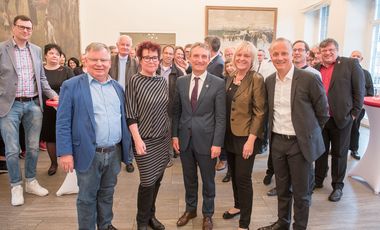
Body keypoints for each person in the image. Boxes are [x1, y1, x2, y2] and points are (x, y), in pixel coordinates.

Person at [56, 42, 132, 230]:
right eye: (94, 59)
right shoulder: (71, 86)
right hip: (87, 152)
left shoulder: (117, 88)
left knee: (107, 193)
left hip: (113, 152)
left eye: (104, 60)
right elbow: (63, 121)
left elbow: (122, 120)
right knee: (87, 197)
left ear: (109, 62)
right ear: (85, 61)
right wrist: (65, 153)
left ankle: (105, 225)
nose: (99, 64)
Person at [257, 38, 329, 230]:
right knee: (282, 189)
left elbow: (323, 113)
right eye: (275, 54)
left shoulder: (309, 79)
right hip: (278, 142)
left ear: (292, 54)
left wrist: (308, 135)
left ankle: (299, 226)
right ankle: (283, 223)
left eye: (284, 53)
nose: (280, 57)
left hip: (300, 144)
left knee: (301, 192)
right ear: (270, 56)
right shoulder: (270, 81)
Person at [0, 15, 59, 206]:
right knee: (12, 149)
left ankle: (31, 181)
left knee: (33, 147)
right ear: (13, 28)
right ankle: (16, 185)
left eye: (29, 28)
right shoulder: (2, 49)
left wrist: (53, 96)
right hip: (10, 105)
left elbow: (41, 78)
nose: (26, 31)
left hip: (34, 104)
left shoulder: (35, 50)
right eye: (22, 27)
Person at [172, 42, 226, 230]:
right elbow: (176, 111)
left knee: (208, 180)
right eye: (196, 56)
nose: (200, 60)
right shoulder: (181, 81)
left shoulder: (218, 83)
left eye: (204, 56)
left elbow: (220, 117)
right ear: (190, 58)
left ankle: (208, 214)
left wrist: (217, 143)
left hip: (208, 141)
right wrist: (174, 136)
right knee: (189, 178)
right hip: (185, 139)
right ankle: (190, 209)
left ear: (209, 58)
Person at [125, 41, 170, 230]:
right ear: (139, 59)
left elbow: (166, 110)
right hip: (144, 140)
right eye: (147, 57)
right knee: (147, 181)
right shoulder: (134, 81)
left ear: (159, 60)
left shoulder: (162, 81)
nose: (151, 61)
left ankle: (151, 215)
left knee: (157, 180)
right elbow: (130, 114)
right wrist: (137, 140)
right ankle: (142, 221)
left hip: (162, 139)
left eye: (154, 57)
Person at [314, 38, 365, 202]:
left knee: (339, 153)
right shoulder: (315, 69)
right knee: (320, 152)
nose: (328, 53)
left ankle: (337, 186)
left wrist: (354, 114)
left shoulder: (350, 64)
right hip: (321, 119)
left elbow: (359, 91)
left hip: (342, 118)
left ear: (337, 50)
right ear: (320, 53)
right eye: (324, 51)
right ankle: (318, 180)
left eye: (331, 50)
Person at [222, 41, 266, 230]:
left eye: (246, 56)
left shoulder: (256, 78)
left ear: (252, 59)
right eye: (239, 55)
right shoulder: (231, 76)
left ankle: (244, 223)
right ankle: (238, 205)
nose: (241, 59)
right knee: (234, 175)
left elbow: (260, 112)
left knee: (243, 178)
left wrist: (251, 140)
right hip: (229, 135)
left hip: (246, 138)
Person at [40, 43, 73, 176]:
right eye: (51, 53)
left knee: (68, 134)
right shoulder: (40, 70)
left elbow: (73, 88)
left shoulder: (66, 70)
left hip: (64, 108)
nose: (54, 56)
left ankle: (70, 161)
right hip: (47, 109)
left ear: (60, 57)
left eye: (57, 54)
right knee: (50, 136)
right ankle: (54, 163)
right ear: (45, 55)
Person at [109, 35, 138, 173]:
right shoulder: (110, 60)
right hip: (111, 98)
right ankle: (112, 159)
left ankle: (128, 160)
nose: (125, 47)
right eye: (122, 44)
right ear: (117, 45)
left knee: (128, 131)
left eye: (128, 45)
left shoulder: (135, 62)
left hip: (128, 100)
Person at [157, 45, 185, 166]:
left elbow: (181, 92)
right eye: (166, 53)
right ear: (162, 54)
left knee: (169, 132)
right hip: (155, 106)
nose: (168, 55)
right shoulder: (155, 69)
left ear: (173, 56)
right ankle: (156, 155)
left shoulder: (178, 72)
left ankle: (168, 157)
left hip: (170, 106)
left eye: (171, 53)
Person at [349, 50, 374, 160]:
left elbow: (370, 91)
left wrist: (362, 104)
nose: (355, 58)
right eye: (353, 56)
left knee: (355, 128)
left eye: (358, 56)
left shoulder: (366, 74)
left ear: (361, 59)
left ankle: (354, 149)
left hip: (359, 107)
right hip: (345, 106)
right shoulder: (345, 71)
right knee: (341, 129)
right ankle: (340, 148)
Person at [221, 57, 236, 183]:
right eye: (227, 66)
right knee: (227, 147)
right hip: (225, 118)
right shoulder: (224, 80)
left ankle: (233, 172)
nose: (229, 68)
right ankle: (229, 171)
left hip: (236, 119)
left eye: (232, 65)